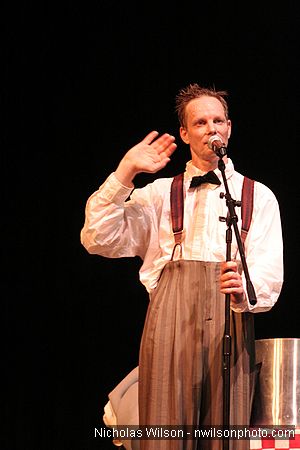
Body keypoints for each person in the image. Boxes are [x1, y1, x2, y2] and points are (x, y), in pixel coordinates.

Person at [80, 84, 283, 450]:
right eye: (201, 122)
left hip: (231, 323)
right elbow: (97, 237)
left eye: (218, 120)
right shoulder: (159, 194)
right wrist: (125, 173)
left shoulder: (258, 196)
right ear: (186, 133)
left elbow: (269, 273)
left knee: (225, 435)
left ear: (230, 127)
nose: (212, 129)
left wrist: (244, 290)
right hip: (169, 325)